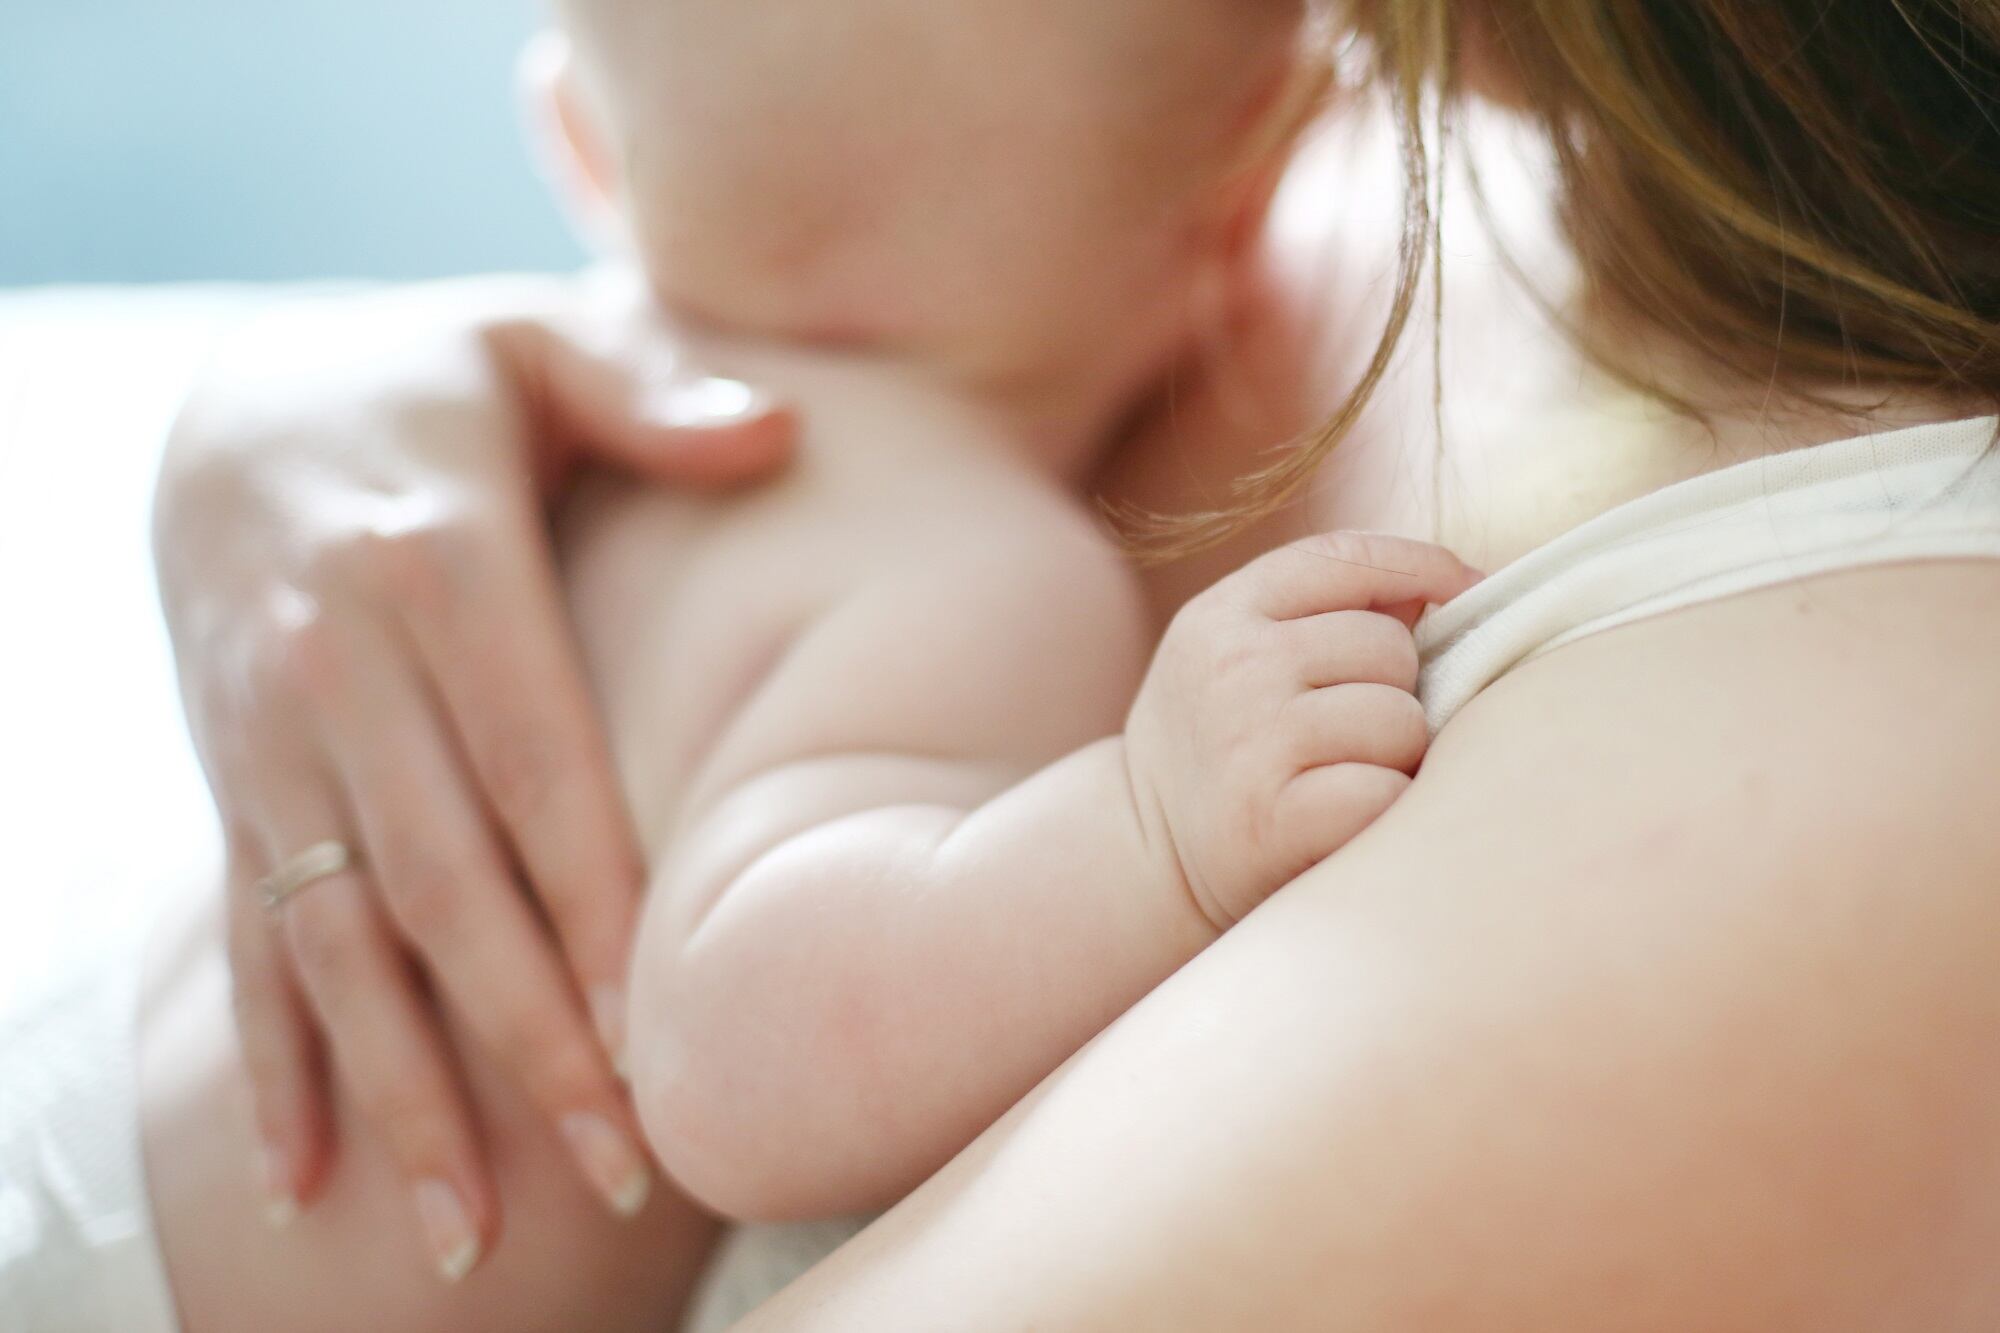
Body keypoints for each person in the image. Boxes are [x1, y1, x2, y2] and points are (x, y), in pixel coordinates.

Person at [13, 0, 2000, 1329]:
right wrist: (1138, 828)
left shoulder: (1878, 768)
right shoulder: (972, 564)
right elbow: (733, 1045)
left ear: (581, 148)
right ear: (1225, 202)